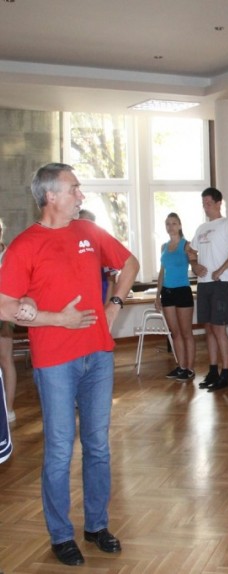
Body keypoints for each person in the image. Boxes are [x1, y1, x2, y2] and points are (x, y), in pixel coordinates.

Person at [0, 163, 140, 567]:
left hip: (98, 355)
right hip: (55, 362)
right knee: (60, 450)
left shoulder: (88, 232)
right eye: (74, 189)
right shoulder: (24, 246)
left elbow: (130, 264)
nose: (81, 195)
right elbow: (5, 306)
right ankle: (61, 535)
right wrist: (57, 319)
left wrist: (114, 306)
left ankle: (96, 525)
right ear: (51, 196)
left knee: (98, 446)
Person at [189, 187, 228, 392]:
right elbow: (190, 251)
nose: (205, 207)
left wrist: (222, 268)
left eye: (208, 203)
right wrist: (195, 265)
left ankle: (226, 373)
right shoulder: (201, 228)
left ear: (218, 203)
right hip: (204, 283)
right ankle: (213, 370)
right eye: (203, 203)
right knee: (209, 328)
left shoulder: (227, 225)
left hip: (221, 283)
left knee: (219, 328)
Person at [155, 212, 196, 382]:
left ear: (179, 225)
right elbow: (162, 272)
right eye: (167, 224)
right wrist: (157, 295)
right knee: (175, 332)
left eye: (173, 223)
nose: (170, 227)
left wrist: (196, 262)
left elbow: (195, 264)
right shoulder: (164, 247)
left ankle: (190, 369)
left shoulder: (187, 245)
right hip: (167, 292)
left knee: (186, 332)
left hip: (182, 291)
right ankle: (181, 366)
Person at [78, 209, 117, 304]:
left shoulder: (103, 249)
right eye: (82, 223)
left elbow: (111, 281)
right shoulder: (71, 247)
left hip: (101, 301)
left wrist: (107, 307)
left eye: (89, 223)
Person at [0, 218, 17, 423]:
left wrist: (6, 321)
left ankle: (9, 408)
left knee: (5, 359)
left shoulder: (9, 255)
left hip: (4, 312)